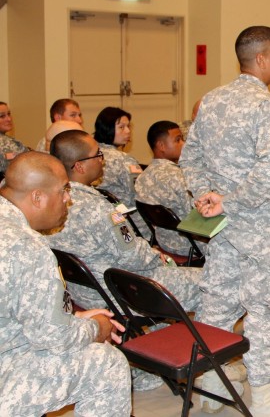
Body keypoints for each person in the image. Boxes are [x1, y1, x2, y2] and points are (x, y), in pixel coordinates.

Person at [180, 26, 270, 416]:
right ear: (263, 58)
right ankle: (266, 403)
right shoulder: (268, 107)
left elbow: (190, 159)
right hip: (260, 232)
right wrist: (229, 203)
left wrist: (208, 199)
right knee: (265, 312)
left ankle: (209, 383)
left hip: (221, 229)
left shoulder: (213, 100)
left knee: (217, 302)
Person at [46, 129, 208, 392]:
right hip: (129, 290)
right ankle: (205, 365)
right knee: (214, 283)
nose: (103, 159)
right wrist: (161, 259)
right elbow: (134, 256)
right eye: (97, 154)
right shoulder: (96, 207)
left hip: (89, 294)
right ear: (79, 165)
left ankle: (148, 360)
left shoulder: (50, 206)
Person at [0, 151, 131, 416]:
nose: (68, 200)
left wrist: (72, 317)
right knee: (107, 363)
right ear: (38, 197)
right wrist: (96, 327)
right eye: (64, 191)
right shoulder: (27, 246)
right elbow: (53, 339)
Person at [135, 120, 195, 258]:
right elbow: (194, 217)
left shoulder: (143, 176)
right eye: (178, 140)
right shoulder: (179, 176)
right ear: (161, 146)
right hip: (189, 244)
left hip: (164, 241)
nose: (183, 144)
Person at [93, 106, 148, 238]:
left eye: (128, 126)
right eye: (121, 127)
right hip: (131, 223)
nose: (128, 131)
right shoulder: (124, 160)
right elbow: (141, 194)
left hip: (101, 222)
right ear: (107, 129)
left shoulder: (90, 153)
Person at [0, 101, 30, 175]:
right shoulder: (4, 142)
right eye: (2, 116)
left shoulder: (7, 139)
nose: (9, 119)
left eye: (9, 114)